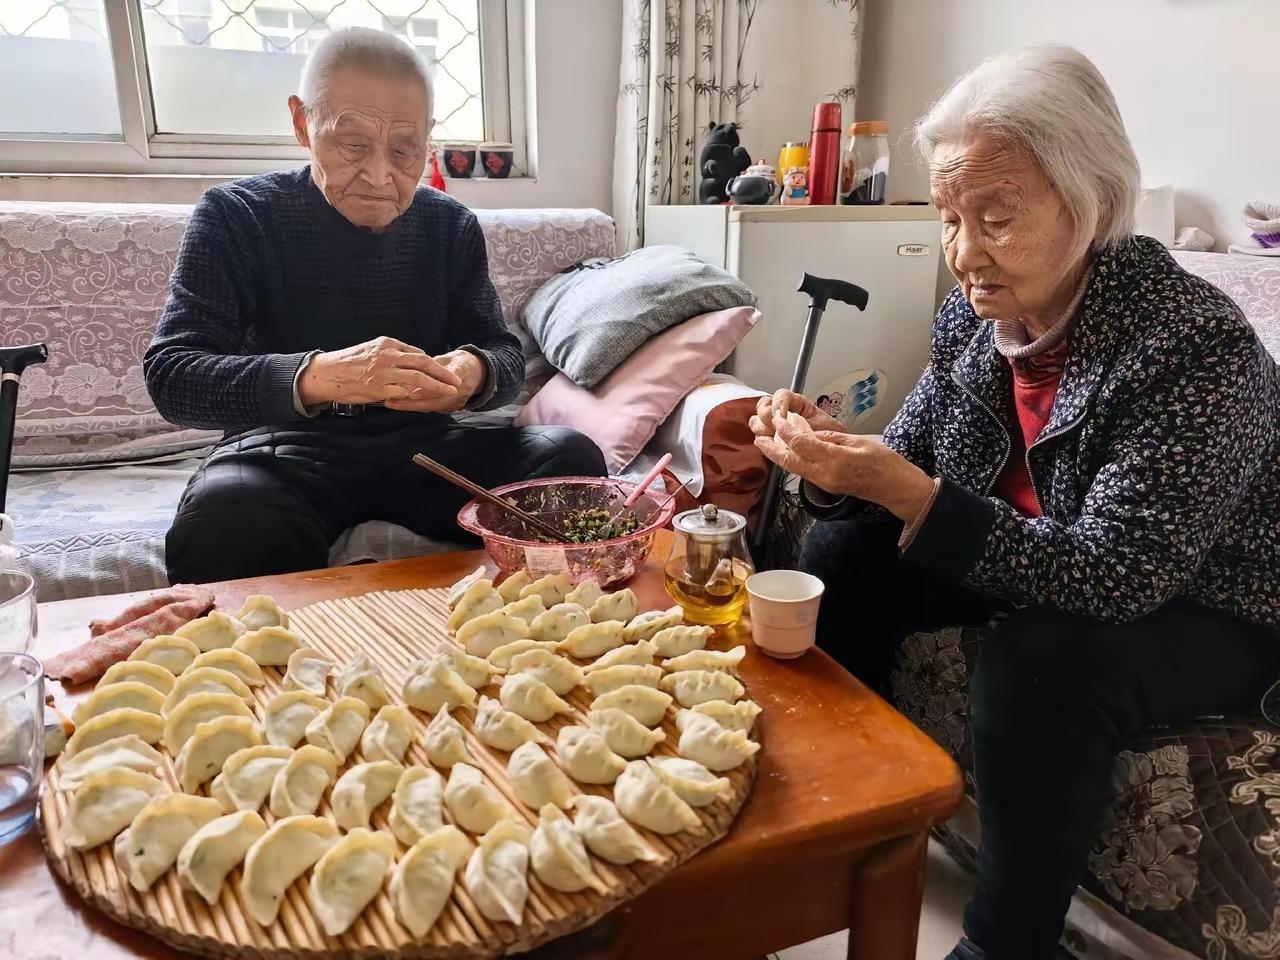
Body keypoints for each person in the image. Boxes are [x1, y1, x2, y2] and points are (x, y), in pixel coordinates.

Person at [751, 46, 1280, 960]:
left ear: (1094, 204)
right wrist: (827, 462)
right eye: (950, 217)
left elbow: (1121, 575)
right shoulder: (974, 314)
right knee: (842, 561)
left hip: (1213, 600)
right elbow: (906, 462)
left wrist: (907, 491)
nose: (963, 254)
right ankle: (834, 823)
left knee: (1047, 662)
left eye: (996, 217)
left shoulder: (1192, 345)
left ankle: (1005, 944)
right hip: (1043, 551)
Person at [145, 28, 605, 584]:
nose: (381, 175)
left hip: (427, 452)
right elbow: (173, 376)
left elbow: (501, 354)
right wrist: (320, 376)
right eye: (353, 145)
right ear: (301, 123)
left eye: (405, 150)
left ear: (428, 142)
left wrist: (469, 372)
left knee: (570, 461)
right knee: (227, 520)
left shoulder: (449, 225)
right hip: (280, 451)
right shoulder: (236, 216)